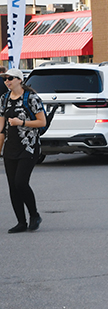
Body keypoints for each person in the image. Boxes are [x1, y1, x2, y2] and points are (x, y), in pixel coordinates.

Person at [0, 68, 46, 233]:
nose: (7, 81)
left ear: (19, 80)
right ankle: (21, 222)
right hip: (10, 147)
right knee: (13, 186)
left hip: (29, 146)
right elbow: (1, 128)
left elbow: (42, 122)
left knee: (21, 182)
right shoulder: (4, 99)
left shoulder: (31, 98)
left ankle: (34, 215)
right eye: (5, 79)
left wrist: (22, 123)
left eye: (10, 78)